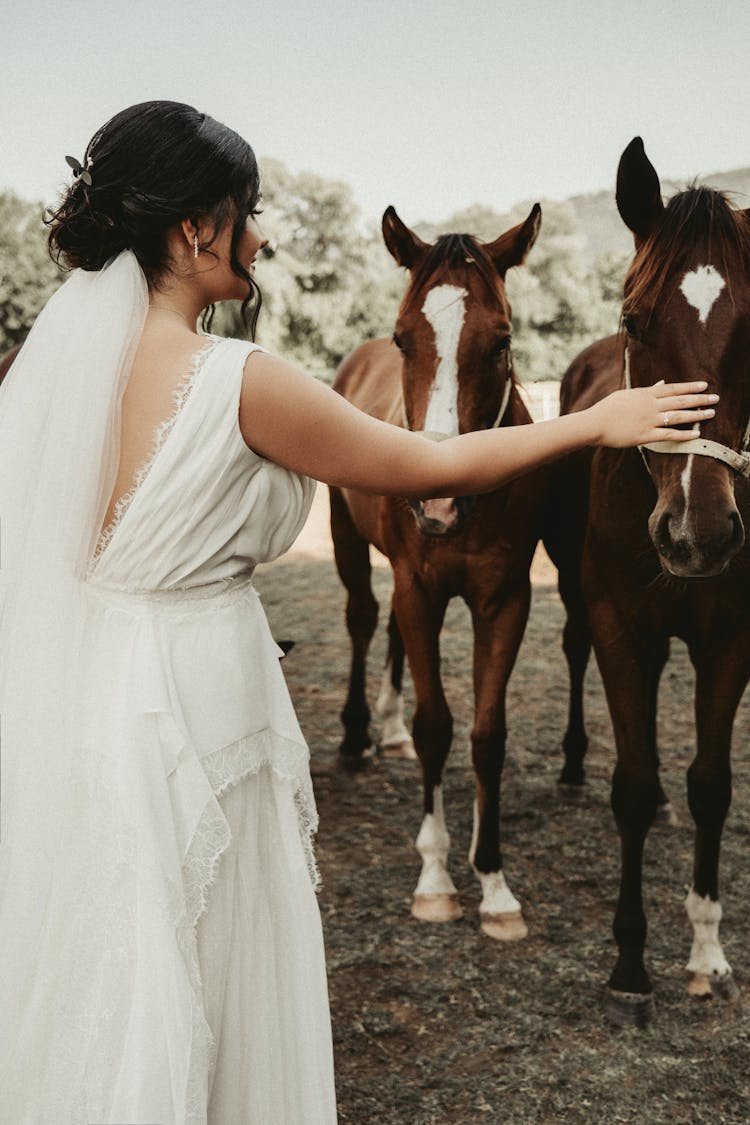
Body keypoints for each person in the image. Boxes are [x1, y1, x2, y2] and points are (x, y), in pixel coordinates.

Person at [0, 100, 717, 1125]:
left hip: (95, 694)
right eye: (245, 214)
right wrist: (595, 422)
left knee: (108, 947)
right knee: (211, 948)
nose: (261, 236)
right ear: (193, 230)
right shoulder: (239, 381)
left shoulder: (54, 379)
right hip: (200, 701)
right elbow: (430, 464)